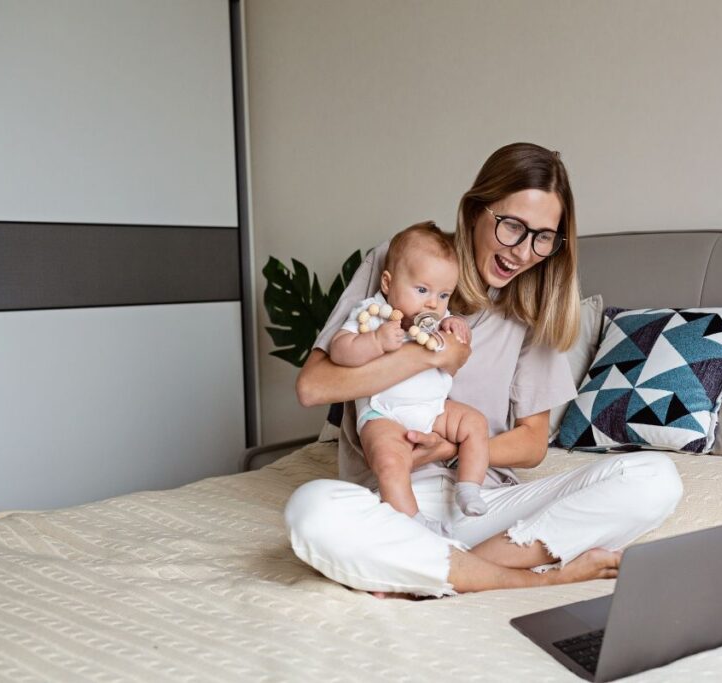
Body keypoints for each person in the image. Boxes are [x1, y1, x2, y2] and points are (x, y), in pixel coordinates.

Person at [285, 142, 683, 597]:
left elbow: (533, 443)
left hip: (483, 503)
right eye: (512, 226)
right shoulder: (402, 259)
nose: (523, 251)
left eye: (543, 237)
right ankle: (532, 576)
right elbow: (314, 386)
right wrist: (430, 356)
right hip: (388, 502)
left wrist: (448, 451)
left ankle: (427, 571)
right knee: (310, 511)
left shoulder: (531, 303)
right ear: (476, 210)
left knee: (654, 479)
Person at [328, 222, 490, 531]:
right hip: (383, 414)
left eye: (444, 295)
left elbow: (454, 349)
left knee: (474, 424)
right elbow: (339, 350)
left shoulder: (437, 320)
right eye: (422, 290)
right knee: (390, 463)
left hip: (432, 409)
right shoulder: (372, 313)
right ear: (388, 284)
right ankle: (412, 521)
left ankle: (469, 488)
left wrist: (457, 328)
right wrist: (374, 343)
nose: (433, 303)